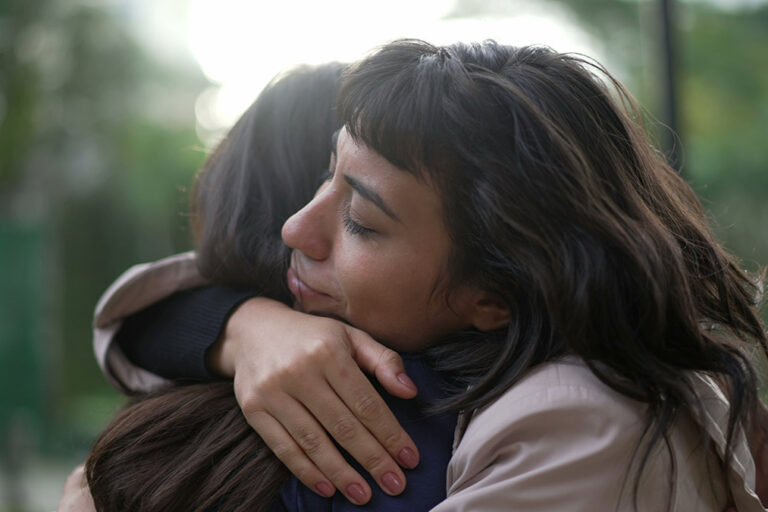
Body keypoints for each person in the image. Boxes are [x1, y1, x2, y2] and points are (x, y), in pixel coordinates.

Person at [85, 40, 767, 510]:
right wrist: (247, 328)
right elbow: (141, 312)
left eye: (363, 220)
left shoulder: (573, 418)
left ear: (492, 295)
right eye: (328, 175)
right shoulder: (444, 366)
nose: (296, 228)